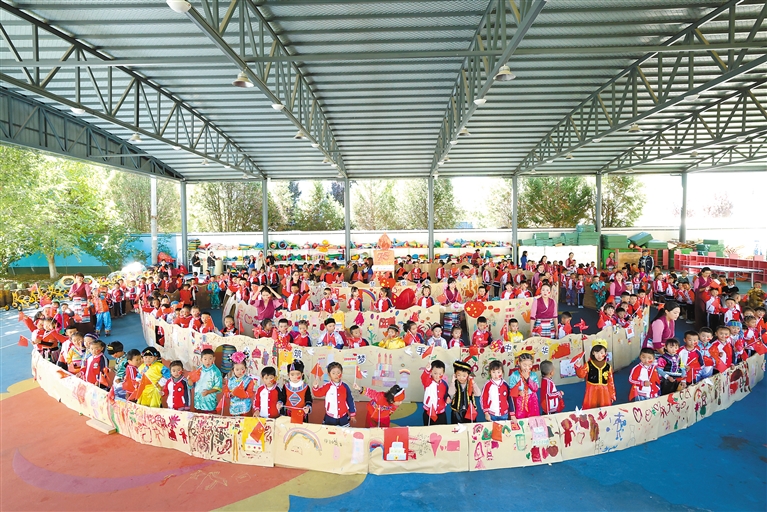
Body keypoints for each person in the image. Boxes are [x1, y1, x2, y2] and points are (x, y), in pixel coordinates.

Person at [312, 362, 356, 426]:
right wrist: (315, 387)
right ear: (329, 374)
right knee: (330, 431)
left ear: (341, 373)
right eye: (333, 373)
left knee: (344, 431)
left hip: (343, 416)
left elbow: (350, 400)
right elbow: (317, 393)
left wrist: (352, 413)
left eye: (338, 373)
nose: (336, 375)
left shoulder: (345, 386)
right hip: (330, 416)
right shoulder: (327, 386)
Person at [574, 343, 616, 409]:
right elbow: (581, 375)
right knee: (591, 409)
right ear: (593, 353)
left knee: (604, 409)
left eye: (602, 353)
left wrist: (612, 395)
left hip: (604, 392)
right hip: (591, 391)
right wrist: (578, 368)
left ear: (605, 353)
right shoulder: (588, 364)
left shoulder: (608, 367)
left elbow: (611, 382)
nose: (599, 355)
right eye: (597, 353)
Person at [219, 352, 255, 416]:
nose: (240, 372)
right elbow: (226, 392)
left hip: (245, 406)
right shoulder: (230, 381)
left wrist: (241, 393)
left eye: (242, 369)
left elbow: (250, 393)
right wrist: (231, 394)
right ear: (233, 370)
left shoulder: (249, 380)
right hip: (234, 406)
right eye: (237, 369)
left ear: (245, 369)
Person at [189, 348, 222, 412]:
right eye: (205, 359)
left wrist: (208, 392)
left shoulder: (216, 371)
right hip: (198, 401)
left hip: (209, 403)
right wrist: (189, 380)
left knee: (210, 417)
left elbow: (218, 387)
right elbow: (192, 384)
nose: (207, 361)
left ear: (214, 359)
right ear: (201, 359)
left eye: (210, 358)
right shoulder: (198, 369)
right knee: (198, 417)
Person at [508, 353, 540, 418]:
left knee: (533, 418)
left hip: (532, 400)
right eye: (524, 365)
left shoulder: (533, 375)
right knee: (521, 419)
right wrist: (518, 392)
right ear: (519, 363)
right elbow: (511, 390)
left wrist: (528, 379)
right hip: (519, 401)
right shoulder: (514, 375)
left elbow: (536, 388)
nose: (527, 368)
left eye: (530, 365)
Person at [421, 359, 449, 425]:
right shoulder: (428, 382)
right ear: (431, 372)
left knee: (442, 428)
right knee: (429, 429)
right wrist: (427, 371)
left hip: (441, 412)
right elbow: (424, 378)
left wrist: (448, 398)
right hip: (429, 412)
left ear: (443, 373)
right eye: (435, 373)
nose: (437, 376)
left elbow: (446, 394)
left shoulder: (444, 384)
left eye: (440, 374)